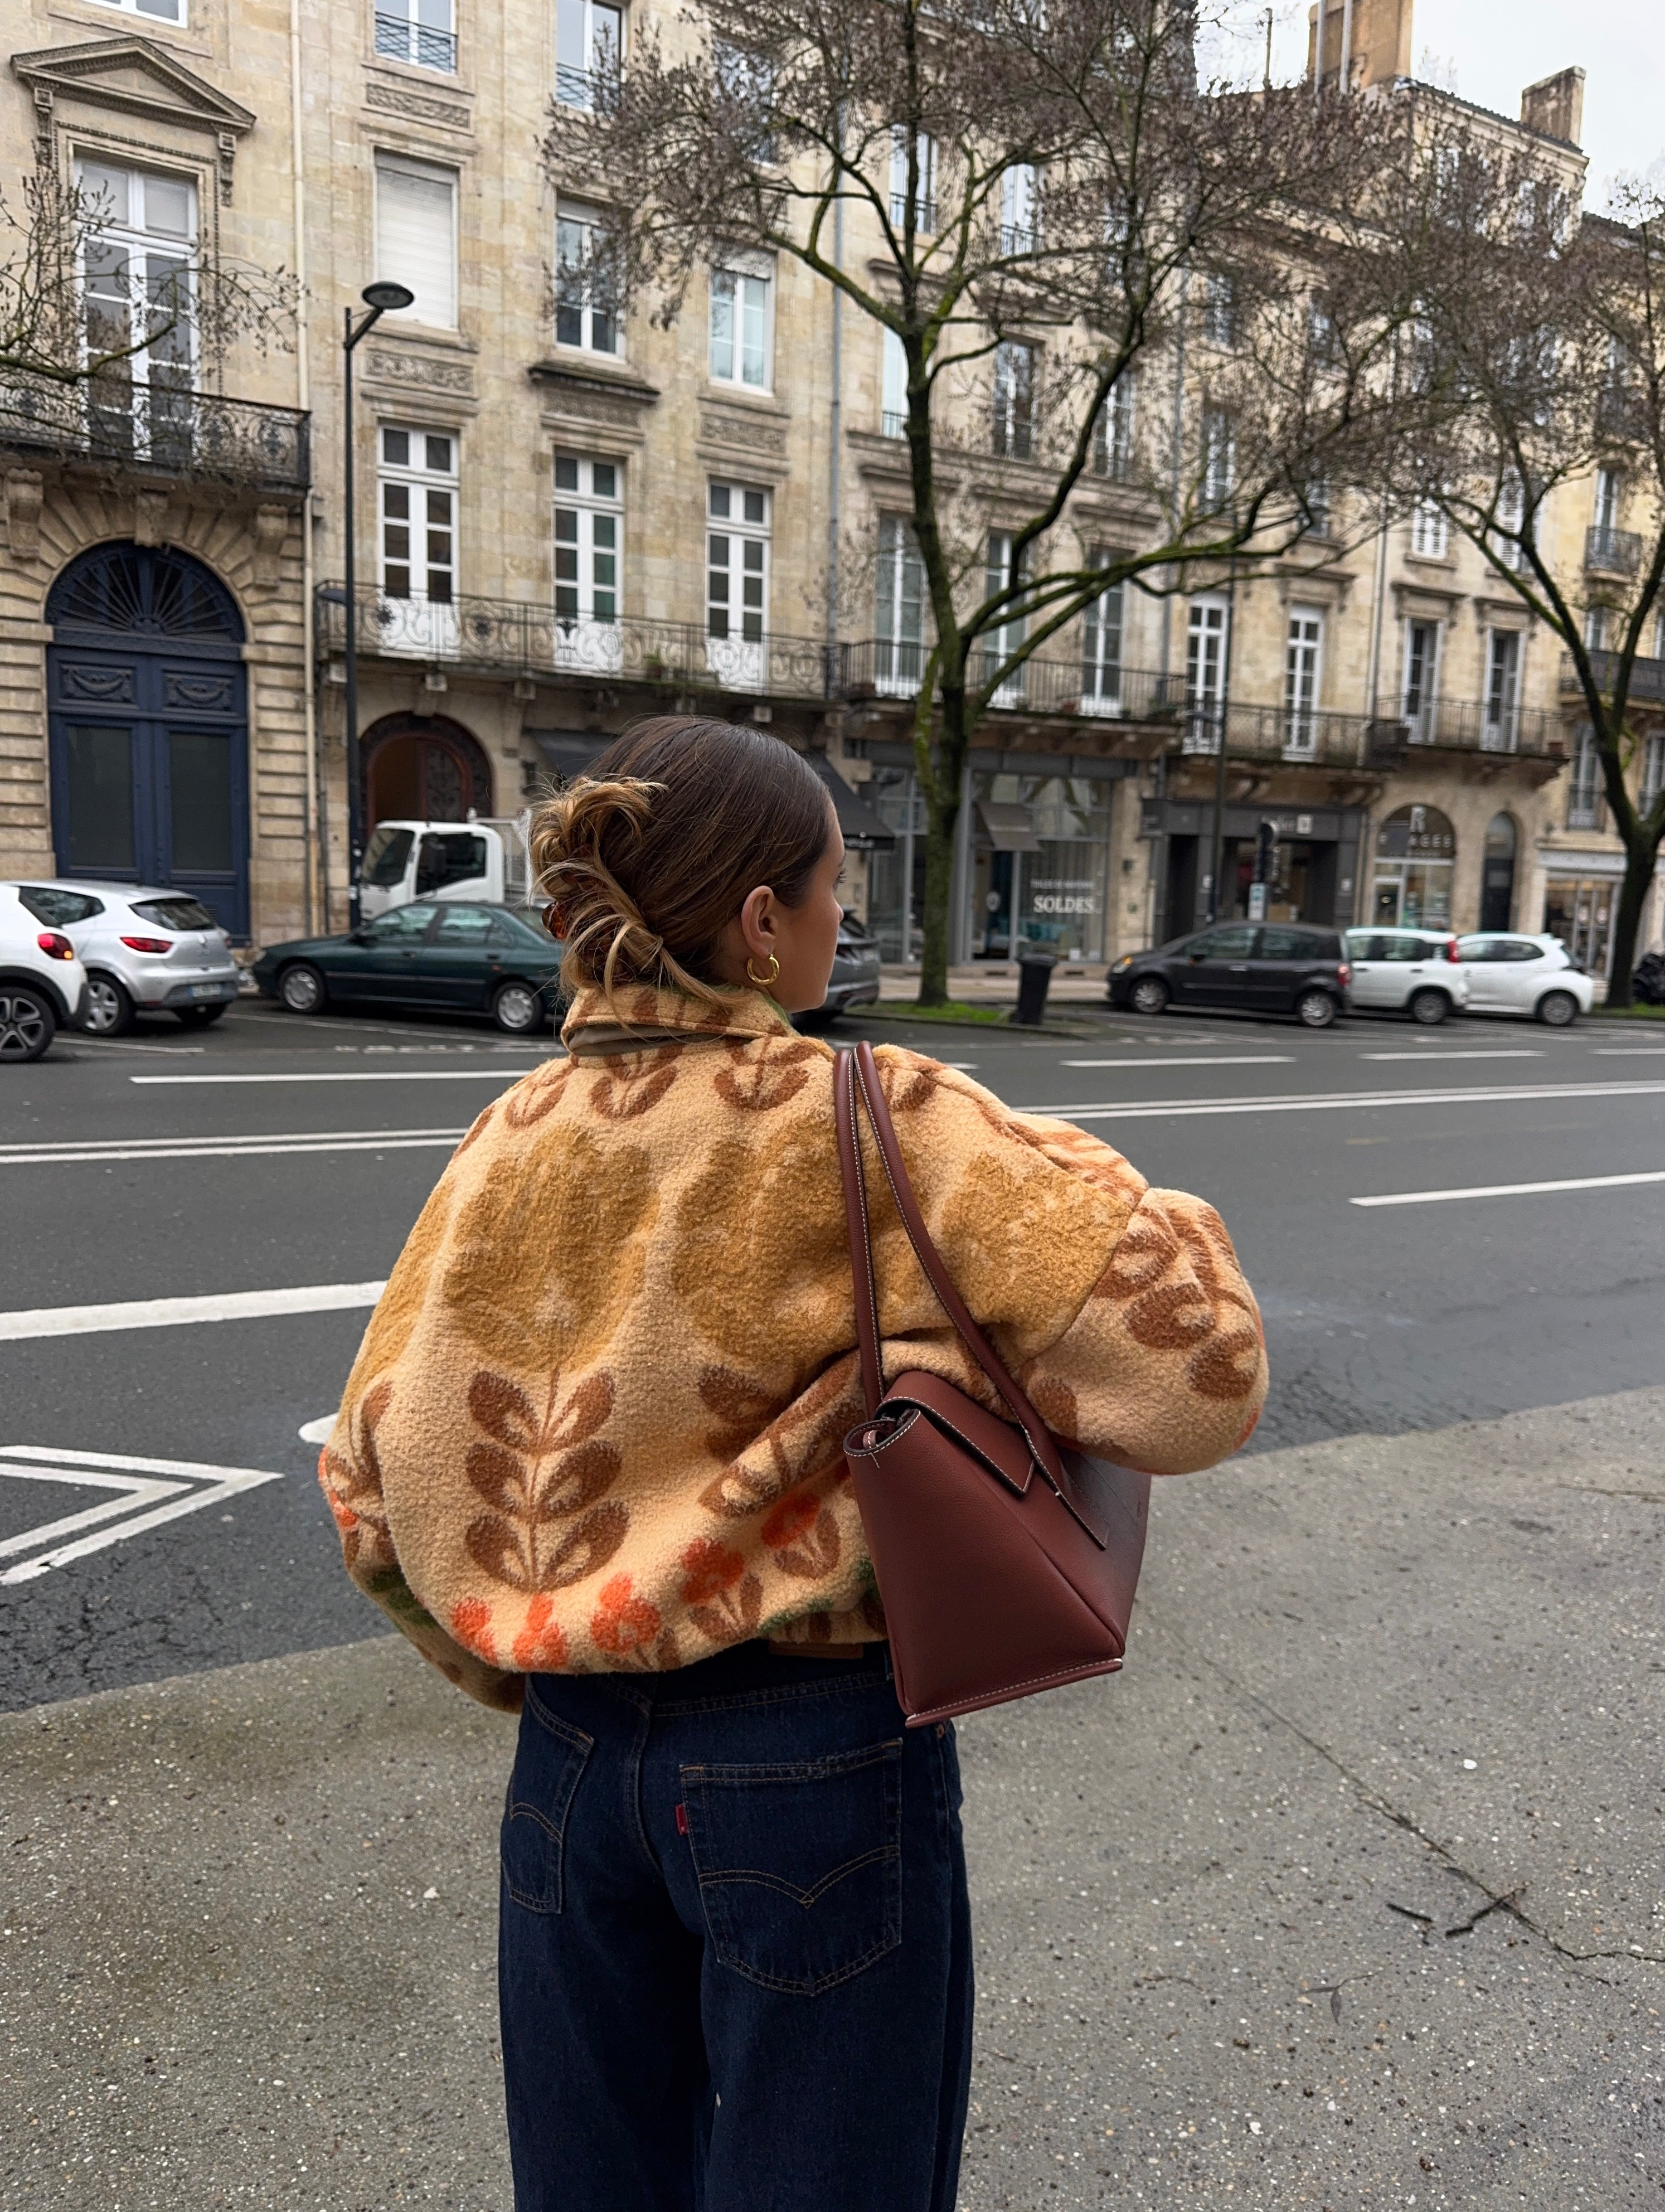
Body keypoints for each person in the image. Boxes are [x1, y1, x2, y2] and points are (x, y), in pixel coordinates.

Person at [319, 714, 1266, 2212]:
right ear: (762, 927)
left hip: (565, 1766)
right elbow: (1199, 1380)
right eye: (836, 887)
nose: (850, 917)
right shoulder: (875, 1113)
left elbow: (370, 1487)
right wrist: (1092, 1183)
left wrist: (545, 1654)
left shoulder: (504, 1135)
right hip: (811, 1756)